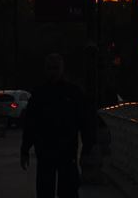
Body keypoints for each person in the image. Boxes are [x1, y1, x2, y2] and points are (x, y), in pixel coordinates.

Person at [20, 53, 95, 198]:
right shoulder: (39, 94)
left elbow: (85, 121)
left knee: (67, 190)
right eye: (50, 68)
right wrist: (25, 149)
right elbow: (30, 123)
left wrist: (87, 147)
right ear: (45, 70)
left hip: (66, 151)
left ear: (62, 69)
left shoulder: (73, 93)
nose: (53, 72)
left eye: (55, 68)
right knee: (45, 190)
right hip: (45, 150)